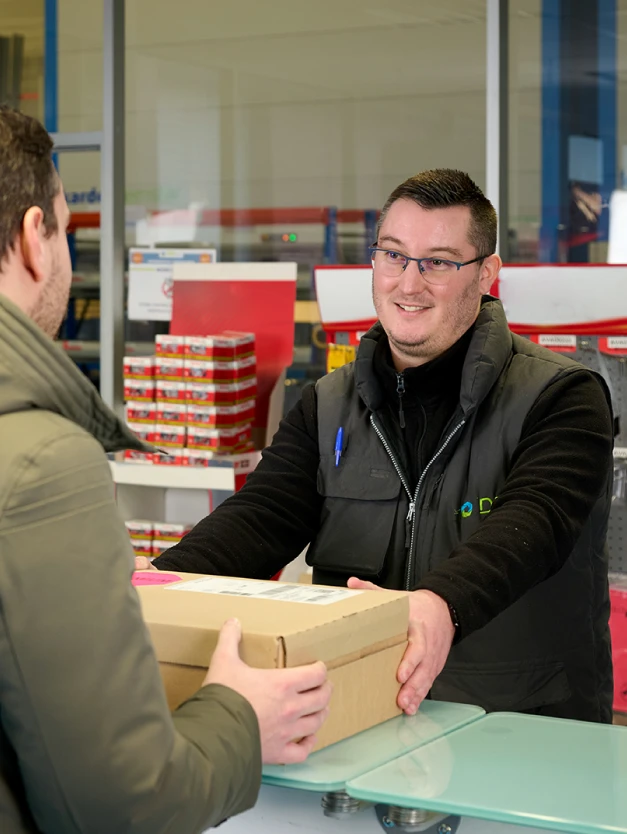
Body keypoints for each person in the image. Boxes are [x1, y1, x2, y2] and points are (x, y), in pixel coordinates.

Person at [146, 168, 615, 725]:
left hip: (517, 727)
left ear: (486, 274)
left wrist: (438, 606)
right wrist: (152, 586)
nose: (409, 284)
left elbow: (534, 522)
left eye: (438, 262)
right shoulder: (328, 403)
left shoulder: (562, 396)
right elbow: (260, 518)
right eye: (394, 255)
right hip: (363, 721)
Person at [0, 105, 331, 834]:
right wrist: (238, 716)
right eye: (65, 232)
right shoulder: (44, 464)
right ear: (32, 239)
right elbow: (123, 804)